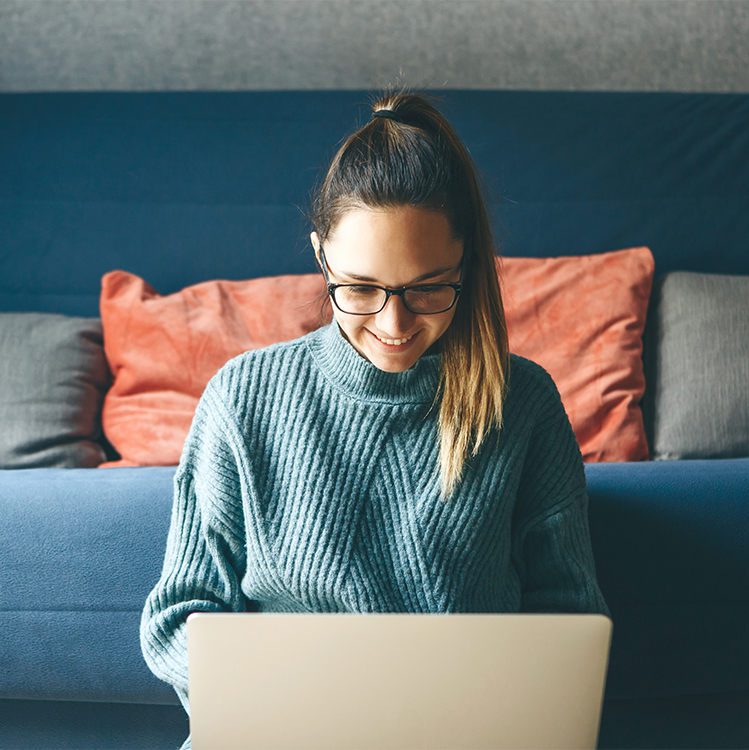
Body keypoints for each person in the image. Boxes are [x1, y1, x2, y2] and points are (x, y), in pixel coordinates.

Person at [141, 91, 609, 747]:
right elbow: (179, 616)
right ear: (321, 257)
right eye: (360, 289)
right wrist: (270, 709)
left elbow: (568, 618)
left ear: (466, 265)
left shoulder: (522, 403)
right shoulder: (241, 399)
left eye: (426, 288)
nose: (393, 325)